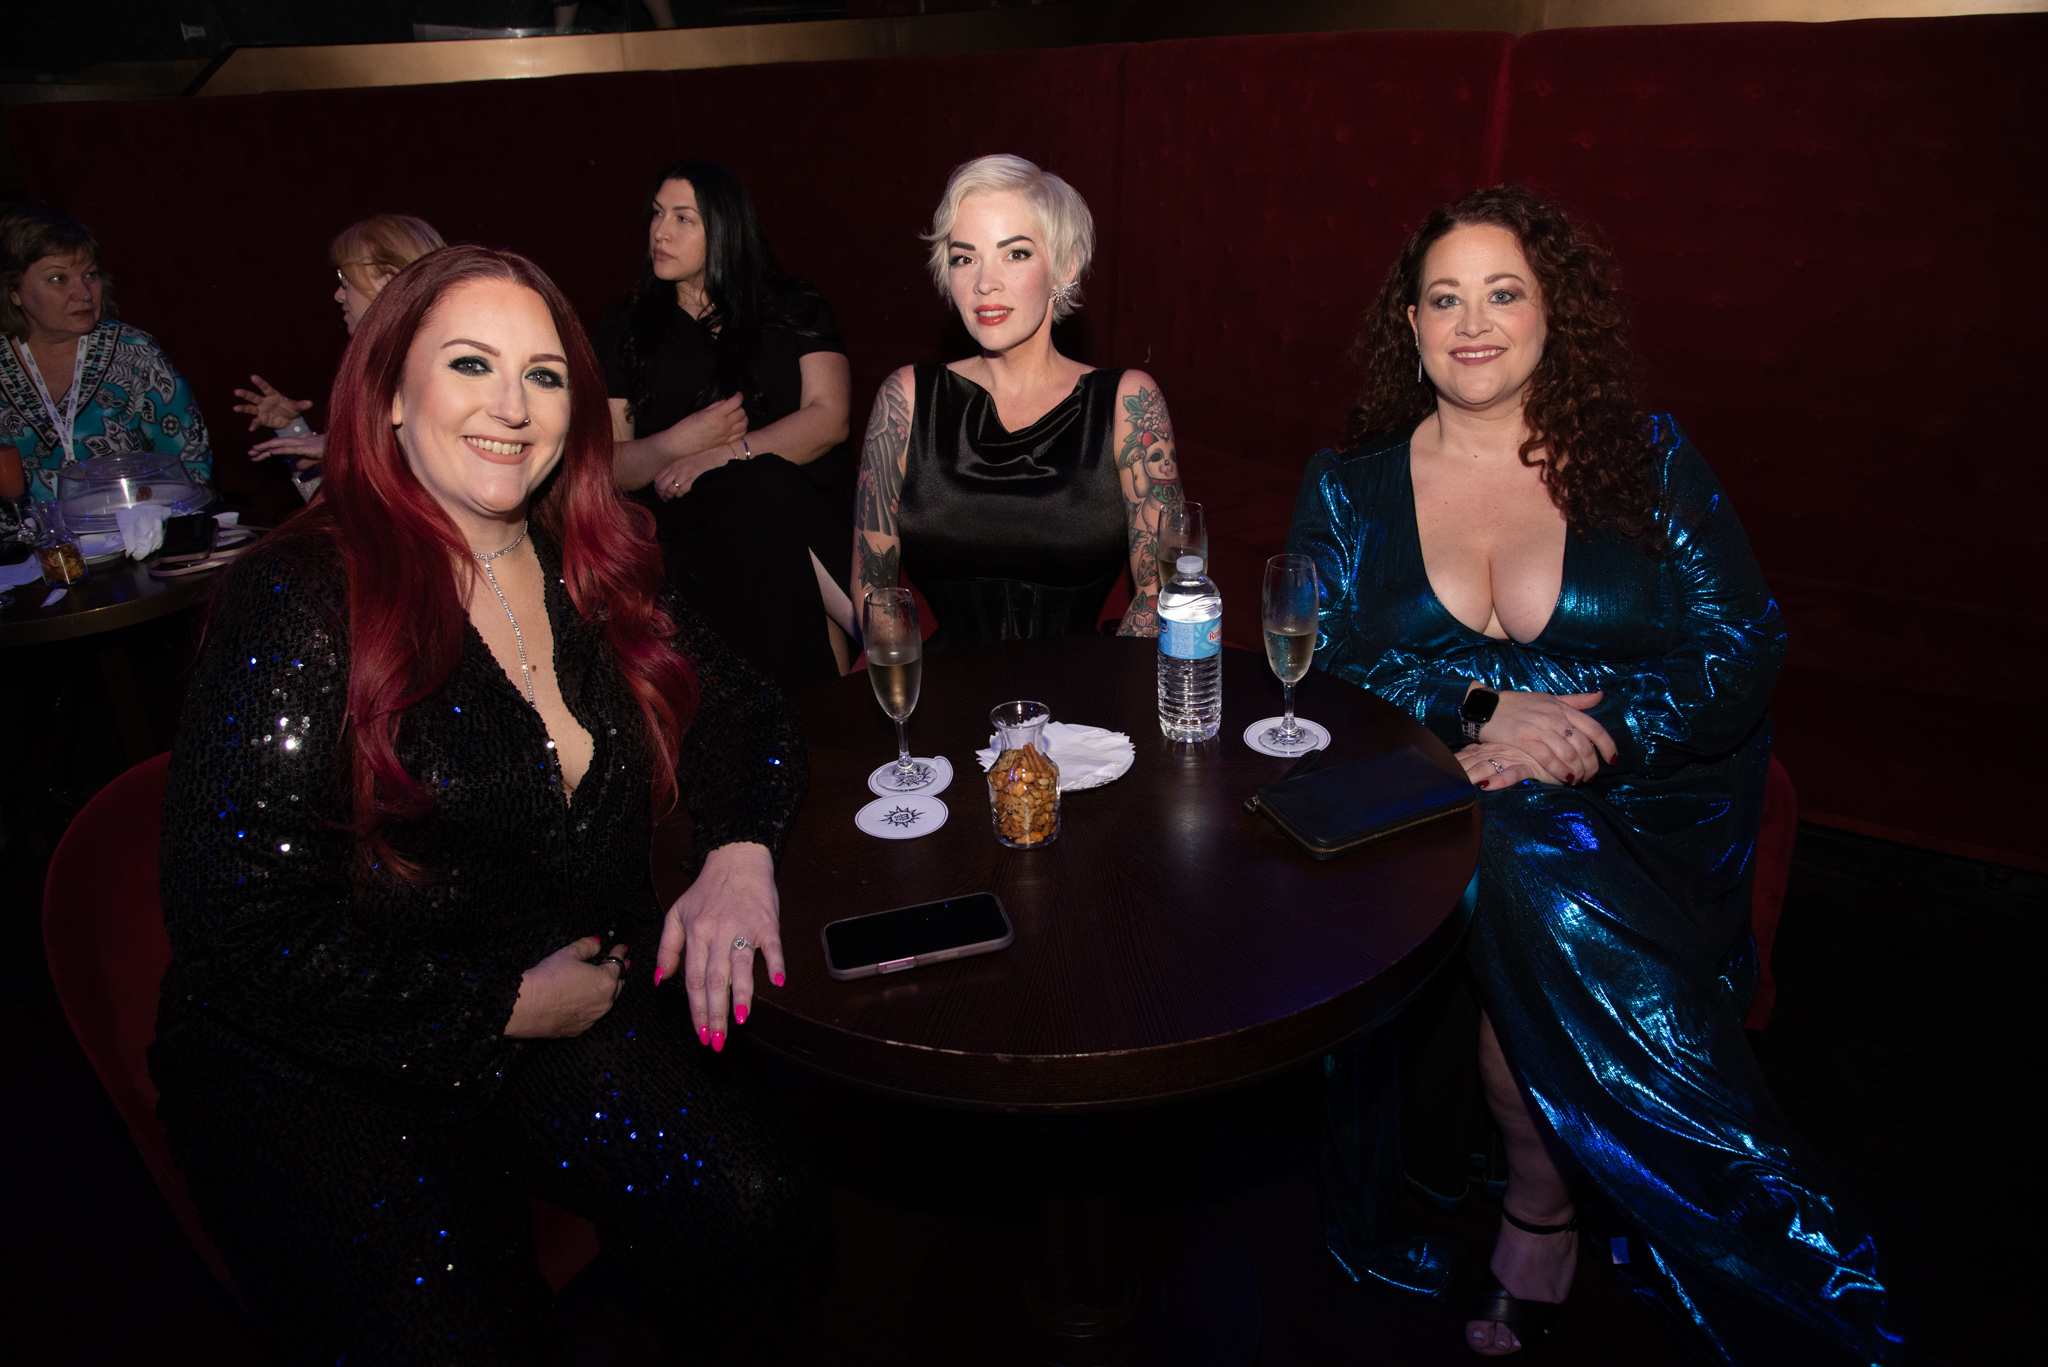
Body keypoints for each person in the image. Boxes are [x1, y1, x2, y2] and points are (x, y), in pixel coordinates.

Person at [150, 245, 823, 1363]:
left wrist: (738, 852)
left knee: (755, 1199)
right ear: (390, 394)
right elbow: (236, 930)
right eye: (471, 364)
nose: (512, 406)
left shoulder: (589, 558)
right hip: (325, 1054)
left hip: (556, 992)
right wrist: (497, 1005)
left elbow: (744, 711)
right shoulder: (302, 596)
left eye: (543, 375)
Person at [1289, 186, 1901, 1362]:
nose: (1473, 322)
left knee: (1517, 834)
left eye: (1502, 292)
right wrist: (1477, 707)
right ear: (1409, 328)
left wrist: (1593, 734)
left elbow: (1741, 644)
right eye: (1444, 298)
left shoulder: (1645, 460)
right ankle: (1591, 1215)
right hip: (1450, 796)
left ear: (1550, 312)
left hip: (1646, 804)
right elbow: (1328, 654)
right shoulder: (1346, 485)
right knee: (1504, 829)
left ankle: (1591, 1221)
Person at [853, 154, 1181, 641]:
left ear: (1064, 267)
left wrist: (1102, 688)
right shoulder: (907, 399)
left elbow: (1162, 596)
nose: (985, 283)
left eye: (1016, 253)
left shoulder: (1127, 402)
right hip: (943, 683)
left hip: (1083, 682)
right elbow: (873, 592)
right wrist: (909, 684)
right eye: (965, 258)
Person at [597, 159, 855, 693]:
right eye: (657, 214)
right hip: (689, 524)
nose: (660, 232)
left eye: (683, 218)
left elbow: (830, 418)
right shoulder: (627, 326)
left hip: (806, 501)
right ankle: (874, 635)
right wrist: (677, 443)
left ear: (724, 229)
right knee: (761, 497)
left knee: (768, 487)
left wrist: (725, 453)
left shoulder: (793, 305)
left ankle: (844, 677)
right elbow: (608, 465)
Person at [0, 202, 211, 534]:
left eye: (90, 275)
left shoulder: (135, 352)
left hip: (137, 546)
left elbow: (191, 465)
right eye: (58, 278)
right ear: (14, 291)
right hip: (26, 555)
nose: (83, 293)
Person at [232, 212, 447, 494]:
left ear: (387, 279)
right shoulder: (377, 369)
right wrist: (293, 430)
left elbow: (438, 496)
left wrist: (349, 451)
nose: (338, 294)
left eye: (345, 277)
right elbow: (342, 509)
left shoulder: (438, 369)